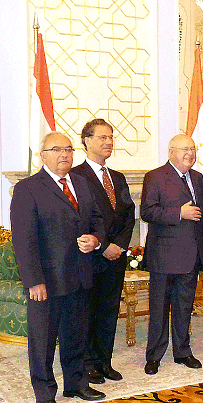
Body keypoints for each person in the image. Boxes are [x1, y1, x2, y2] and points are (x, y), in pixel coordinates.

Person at [10, 131, 106, 403]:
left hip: (80, 275)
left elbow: (97, 220)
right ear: (43, 156)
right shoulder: (27, 188)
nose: (64, 154)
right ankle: (45, 395)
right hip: (47, 281)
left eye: (68, 149)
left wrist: (96, 239)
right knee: (42, 341)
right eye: (56, 150)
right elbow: (23, 240)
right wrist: (33, 281)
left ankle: (76, 384)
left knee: (76, 334)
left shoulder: (82, 183)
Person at [71, 118, 135, 384]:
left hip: (116, 258)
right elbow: (78, 219)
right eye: (102, 137)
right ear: (86, 141)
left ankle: (104, 362)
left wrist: (119, 245)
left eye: (111, 137)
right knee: (87, 312)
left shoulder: (117, 178)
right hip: (90, 257)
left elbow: (129, 215)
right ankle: (88, 364)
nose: (108, 142)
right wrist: (104, 245)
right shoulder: (75, 176)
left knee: (109, 311)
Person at [139, 134, 203, 375]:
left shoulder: (197, 177)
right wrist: (179, 213)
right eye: (184, 149)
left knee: (184, 307)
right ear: (171, 152)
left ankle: (183, 352)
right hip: (163, 255)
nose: (190, 153)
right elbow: (147, 211)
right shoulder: (155, 176)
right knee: (159, 308)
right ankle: (154, 356)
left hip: (191, 254)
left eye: (192, 149)